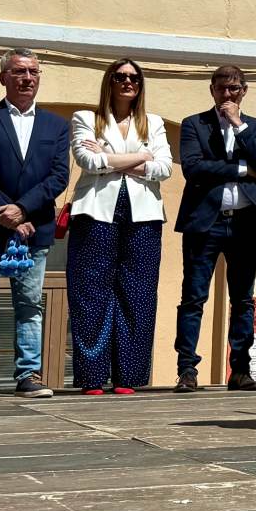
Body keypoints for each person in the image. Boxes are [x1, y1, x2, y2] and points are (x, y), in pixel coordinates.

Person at [67, 59, 172, 393]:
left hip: (144, 216)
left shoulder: (154, 123)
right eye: (121, 76)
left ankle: (129, 376)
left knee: (138, 295)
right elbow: (88, 161)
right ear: (109, 81)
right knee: (90, 293)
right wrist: (142, 157)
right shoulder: (86, 119)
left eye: (135, 78)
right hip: (95, 212)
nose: (128, 82)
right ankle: (92, 377)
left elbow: (165, 168)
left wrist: (111, 160)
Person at [172, 65, 256, 393]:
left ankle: (240, 370)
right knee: (193, 297)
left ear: (243, 91)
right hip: (206, 222)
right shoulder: (194, 124)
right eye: (221, 89)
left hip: (244, 223)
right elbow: (193, 168)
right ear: (212, 90)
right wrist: (242, 169)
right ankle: (187, 369)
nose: (227, 94)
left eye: (233, 89)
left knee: (243, 299)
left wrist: (238, 125)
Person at [0, 49, 69, 398]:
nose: (27, 78)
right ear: (3, 77)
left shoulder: (56, 125)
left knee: (30, 304)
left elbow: (59, 176)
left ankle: (28, 374)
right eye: (19, 71)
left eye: (33, 72)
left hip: (35, 227)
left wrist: (21, 209)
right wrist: (4, 211)